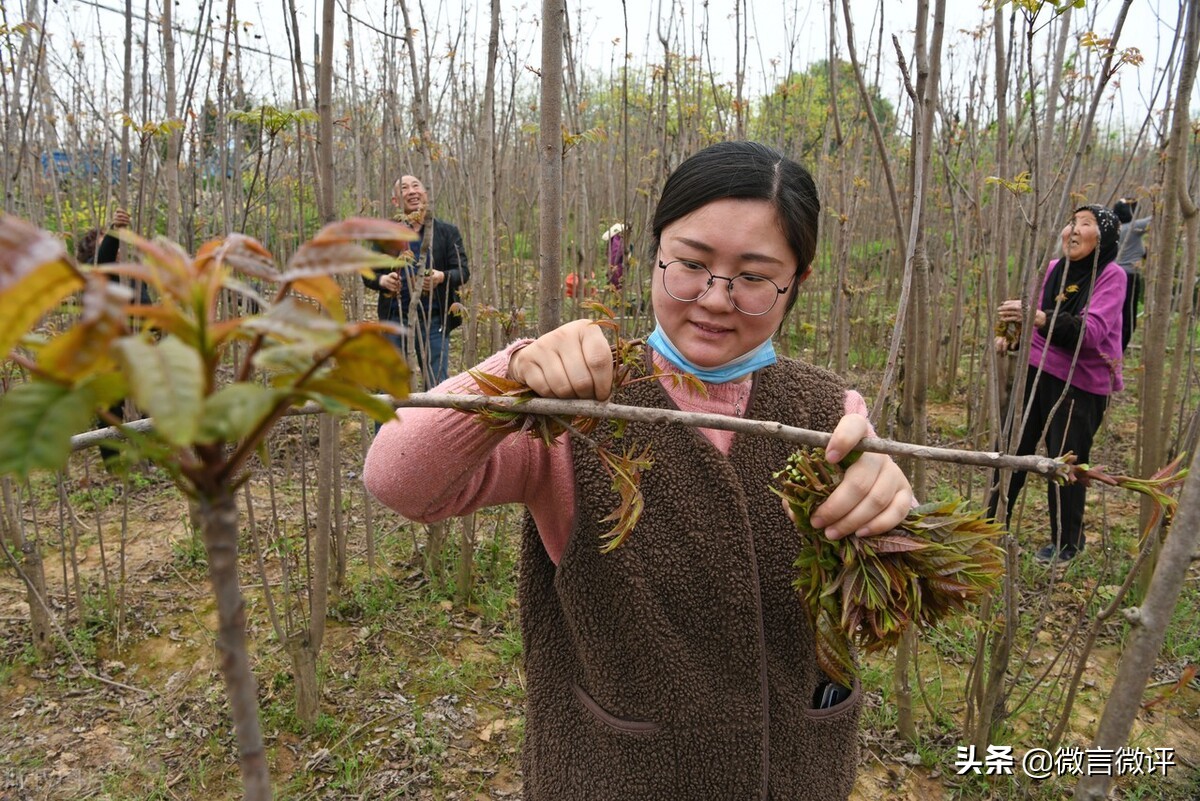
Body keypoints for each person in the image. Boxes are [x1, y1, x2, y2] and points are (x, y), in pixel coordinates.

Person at [364, 141, 912, 800]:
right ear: (652, 253)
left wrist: (890, 504)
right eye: (691, 263)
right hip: (618, 775)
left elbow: (887, 587)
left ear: (799, 280)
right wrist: (512, 374)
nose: (715, 298)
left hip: (794, 773)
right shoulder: (577, 409)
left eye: (755, 275)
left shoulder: (827, 412)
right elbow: (395, 476)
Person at [990, 205, 1126, 563]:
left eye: (1086, 224)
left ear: (1105, 239)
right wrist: (1010, 338)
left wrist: (1039, 317)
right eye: (1071, 222)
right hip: (1034, 372)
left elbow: (1092, 332)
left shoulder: (1112, 276)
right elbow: (1026, 317)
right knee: (1009, 448)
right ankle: (988, 526)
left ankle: (1068, 544)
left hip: (1081, 384)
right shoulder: (1052, 269)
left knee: (1065, 462)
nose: (1074, 230)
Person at [362, 174, 470, 389]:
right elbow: (367, 273)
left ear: (425, 195)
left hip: (435, 321)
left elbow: (463, 271)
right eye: (404, 188)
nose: (411, 191)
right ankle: (387, 424)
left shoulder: (447, 233)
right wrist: (383, 280)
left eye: (415, 186)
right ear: (396, 201)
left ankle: (435, 423)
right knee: (389, 385)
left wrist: (442, 276)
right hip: (395, 320)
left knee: (437, 386)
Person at [76, 208, 152, 470]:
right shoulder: (96, 277)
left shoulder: (133, 278)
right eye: (111, 245)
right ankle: (113, 467)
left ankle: (147, 460)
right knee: (110, 410)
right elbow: (103, 260)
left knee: (147, 405)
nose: (117, 249)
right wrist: (115, 230)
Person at [1112, 197, 1149, 351]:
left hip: (1114, 276)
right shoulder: (1133, 228)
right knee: (1128, 319)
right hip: (1128, 277)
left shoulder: (1115, 228)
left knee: (1117, 316)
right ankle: (1118, 352)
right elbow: (1156, 218)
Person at [602, 221, 626, 289]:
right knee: (617, 285)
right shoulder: (616, 240)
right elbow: (615, 255)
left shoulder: (615, 240)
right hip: (616, 268)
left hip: (616, 267)